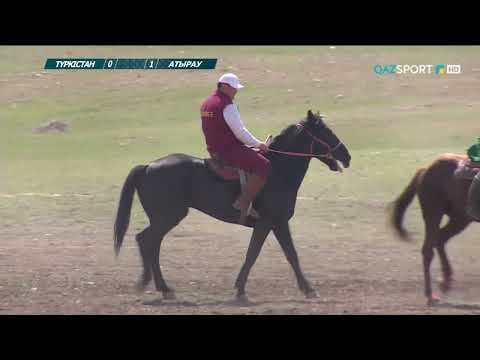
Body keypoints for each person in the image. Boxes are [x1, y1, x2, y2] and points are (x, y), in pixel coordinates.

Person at [200, 73, 271, 218]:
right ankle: (243, 202)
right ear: (224, 87)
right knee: (264, 164)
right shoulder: (227, 106)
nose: (236, 91)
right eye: (234, 88)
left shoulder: (206, 103)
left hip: (214, 149)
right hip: (229, 150)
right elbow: (240, 132)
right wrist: (259, 144)